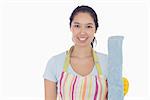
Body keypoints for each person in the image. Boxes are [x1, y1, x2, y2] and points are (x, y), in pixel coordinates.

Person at [43, 5, 108, 100]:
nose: (82, 32)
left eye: (88, 26)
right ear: (71, 28)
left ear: (95, 29)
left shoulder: (108, 62)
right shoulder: (55, 63)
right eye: (77, 26)